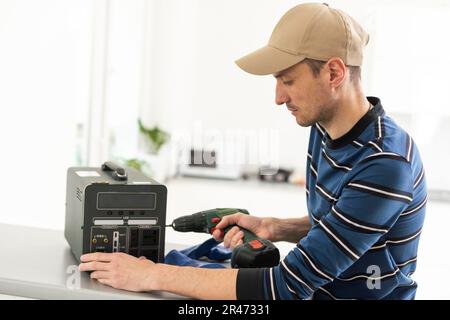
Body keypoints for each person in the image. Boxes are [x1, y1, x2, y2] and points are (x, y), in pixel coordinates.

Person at [79, 2, 427, 300]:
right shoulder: (327, 127)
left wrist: (151, 275)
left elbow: (287, 287)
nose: (278, 97)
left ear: (334, 72)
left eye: (288, 81)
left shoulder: (385, 163)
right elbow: (346, 224)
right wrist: (275, 227)